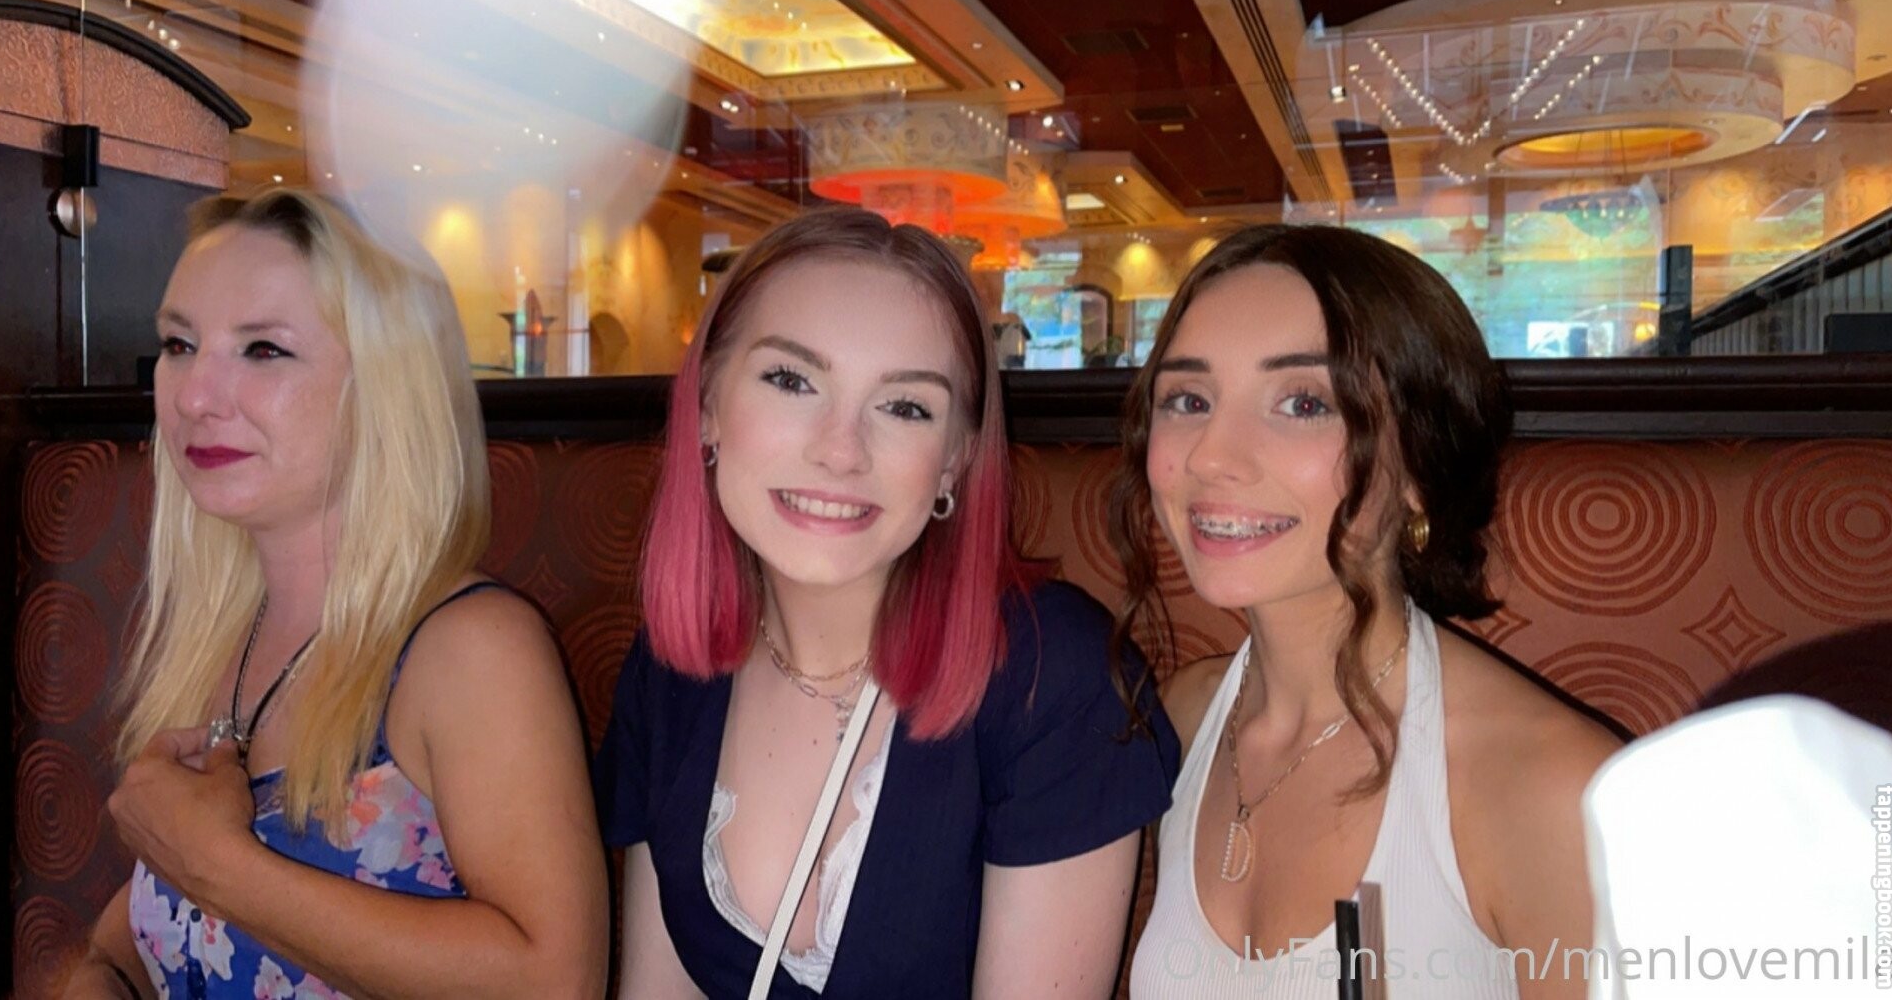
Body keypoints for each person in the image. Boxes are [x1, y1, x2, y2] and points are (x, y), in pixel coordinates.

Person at [593, 207, 1178, 998]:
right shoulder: (670, 671)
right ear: (707, 408)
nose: (841, 450)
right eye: (791, 380)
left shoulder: (1051, 677)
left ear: (954, 461)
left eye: (906, 407)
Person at [65, 189, 608, 998]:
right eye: (180, 344)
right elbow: (129, 950)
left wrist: (215, 864)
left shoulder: (471, 649)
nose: (193, 396)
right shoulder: (222, 638)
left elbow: (555, 982)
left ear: (387, 383)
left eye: (263, 350)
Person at [1119, 224, 1620, 998]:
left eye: (1303, 403)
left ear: (1419, 463)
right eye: (1189, 399)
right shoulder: (1181, 720)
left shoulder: (1548, 789)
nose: (1211, 455)